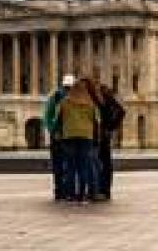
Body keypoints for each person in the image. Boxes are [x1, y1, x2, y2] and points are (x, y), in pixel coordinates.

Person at [52, 76, 101, 205]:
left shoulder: (64, 102)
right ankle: (81, 196)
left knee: (70, 167)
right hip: (86, 137)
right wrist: (96, 137)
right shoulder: (90, 104)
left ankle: (70, 195)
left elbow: (57, 120)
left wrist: (58, 132)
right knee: (83, 167)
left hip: (69, 136)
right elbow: (96, 121)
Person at [89, 78, 126, 201]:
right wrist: (112, 127)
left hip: (100, 134)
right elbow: (121, 111)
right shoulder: (105, 98)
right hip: (103, 133)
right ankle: (104, 190)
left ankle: (101, 189)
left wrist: (110, 126)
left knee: (101, 162)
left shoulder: (102, 98)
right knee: (104, 163)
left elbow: (121, 111)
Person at [42, 74, 76, 201]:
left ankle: (59, 191)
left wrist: (52, 131)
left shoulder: (54, 96)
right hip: (66, 135)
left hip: (59, 135)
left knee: (59, 165)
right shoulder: (65, 97)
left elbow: (47, 117)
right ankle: (65, 190)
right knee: (67, 164)